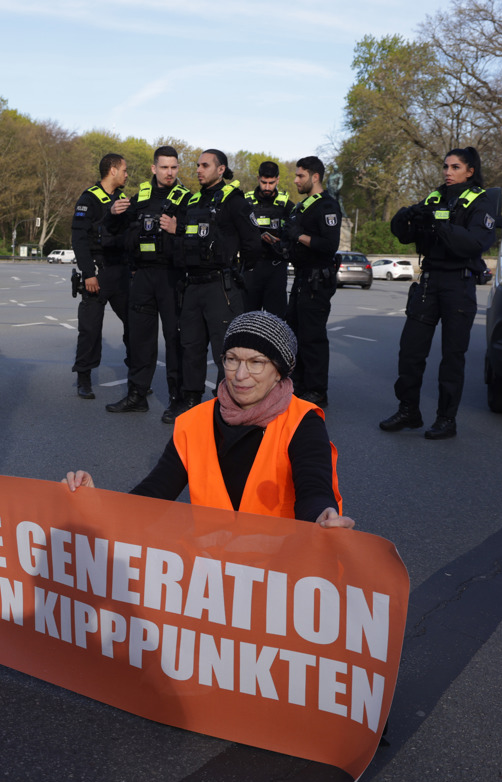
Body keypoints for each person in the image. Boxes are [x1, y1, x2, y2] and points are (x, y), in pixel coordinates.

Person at [65, 311, 350, 526]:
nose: (240, 374)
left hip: (278, 572)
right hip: (212, 575)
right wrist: (98, 502)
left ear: (280, 371)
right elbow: (154, 492)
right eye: (232, 359)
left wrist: (320, 517)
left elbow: (314, 488)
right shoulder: (195, 421)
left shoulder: (303, 421)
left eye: (256, 362)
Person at [379, 147, 497, 440]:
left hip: (458, 283)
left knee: (452, 356)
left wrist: (439, 225)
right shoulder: (434, 198)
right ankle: (409, 411)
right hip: (429, 282)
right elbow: (405, 234)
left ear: (470, 171)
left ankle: (446, 419)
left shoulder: (479, 202)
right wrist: (407, 215)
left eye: (455, 167)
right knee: (410, 351)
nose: (447, 172)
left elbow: (474, 244)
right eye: (445, 166)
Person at [105, 145, 191, 421]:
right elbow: (117, 235)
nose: (169, 172)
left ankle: (177, 399)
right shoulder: (140, 195)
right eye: (164, 167)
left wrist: (177, 231)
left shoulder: (187, 199)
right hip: (142, 274)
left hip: (171, 276)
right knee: (139, 338)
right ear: (154, 168)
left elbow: (195, 240)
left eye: (174, 167)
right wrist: (114, 215)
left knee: (174, 339)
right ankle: (137, 396)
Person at [174, 149, 260, 420]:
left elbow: (253, 244)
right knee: (191, 346)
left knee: (225, 350)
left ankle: (227, 406)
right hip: (193, 286)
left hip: (220, 287)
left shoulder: (234, 201)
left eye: (205, 165)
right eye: (197, 165)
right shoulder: (192, 200)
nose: (199, 170)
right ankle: (191, 402)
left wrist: (236, 272)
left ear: (221, 169)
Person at [71, 153, 132, 399]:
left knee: (135, 323)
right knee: (90, 328)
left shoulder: (122, 199)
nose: (127, 175)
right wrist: (88, 274)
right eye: (125, 170)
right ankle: (83, 377)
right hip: (97, 271)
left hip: (120, 272)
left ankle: (137, 375)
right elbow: (79, 238)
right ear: (113, 170)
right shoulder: (89, 199)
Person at [283, 156, 342, 408]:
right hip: (301, 278)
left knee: (313, 338)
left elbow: (329, 245)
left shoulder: (326, 205)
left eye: (300, 176)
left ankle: (317, 391)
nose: (296, 180)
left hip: (317, 281)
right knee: (295, 335)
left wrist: (300, 236)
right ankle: (297, 385)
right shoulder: (302, 206)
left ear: (315, 177)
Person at [243, 161, 293, 317]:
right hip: (251, 267)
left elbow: (295, 233)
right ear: (258, 178)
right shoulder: (245, 202)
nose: (267, 187)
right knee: (248, 319)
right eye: (264, 182)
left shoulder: (287, 205)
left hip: (276, 267)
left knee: (276, 320)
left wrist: (281, 241)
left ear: (277, 180)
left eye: (271, 183)